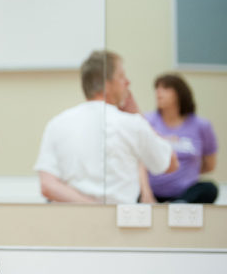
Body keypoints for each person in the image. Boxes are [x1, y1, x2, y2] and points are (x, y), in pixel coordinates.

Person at [34, 50, 179, 203]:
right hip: (119, 222)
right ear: (106, 84)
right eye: (121, 76)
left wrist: (92, 209)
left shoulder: (57, 123)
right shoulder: (132, 124)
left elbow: (47, 185)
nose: (127, 82)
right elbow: (171, 163)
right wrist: (138, 115)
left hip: (70, 220)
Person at [142, 74, 218, 203]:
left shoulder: (201, 125)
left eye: (165, 88)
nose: (158, 92)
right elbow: (140, 162)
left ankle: (179, 205)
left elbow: (209, 164)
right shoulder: (147, 121)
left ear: (179, 93)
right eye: (157, 88)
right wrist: (146, 194)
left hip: (186, 193)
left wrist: (185, 173)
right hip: (152, 192)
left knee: (210, 189)